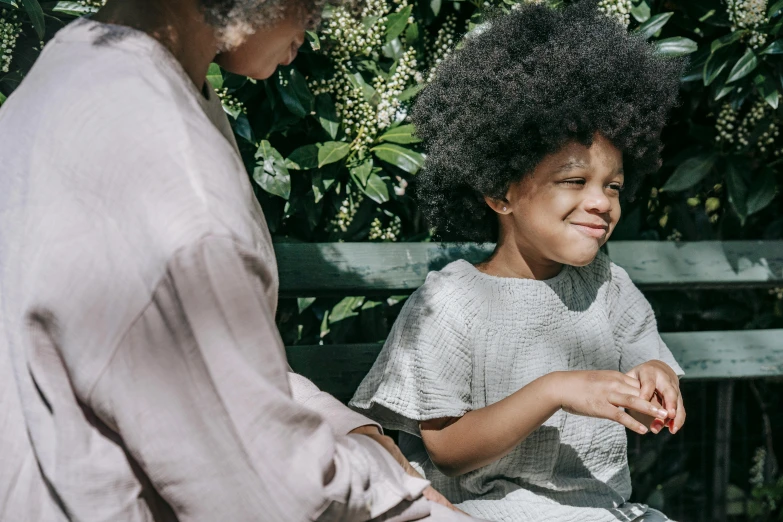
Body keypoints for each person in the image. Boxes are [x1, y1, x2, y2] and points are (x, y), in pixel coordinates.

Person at [0, 0, 478, 520]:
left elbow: (206, 367)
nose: (316, 23)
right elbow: (274, 493)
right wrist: (389, 480)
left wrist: (343, 425)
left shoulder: (76, 62)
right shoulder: (177, 183)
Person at [349, 3, 687, 521]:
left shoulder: (609, 289)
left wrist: (657, 374)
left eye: (613, 186)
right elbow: (448, 450)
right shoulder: (451, 302)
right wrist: (554, 390)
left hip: (603, 511)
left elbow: (649, 358)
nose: (601, 202)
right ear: (499, 193)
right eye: (574, 181)